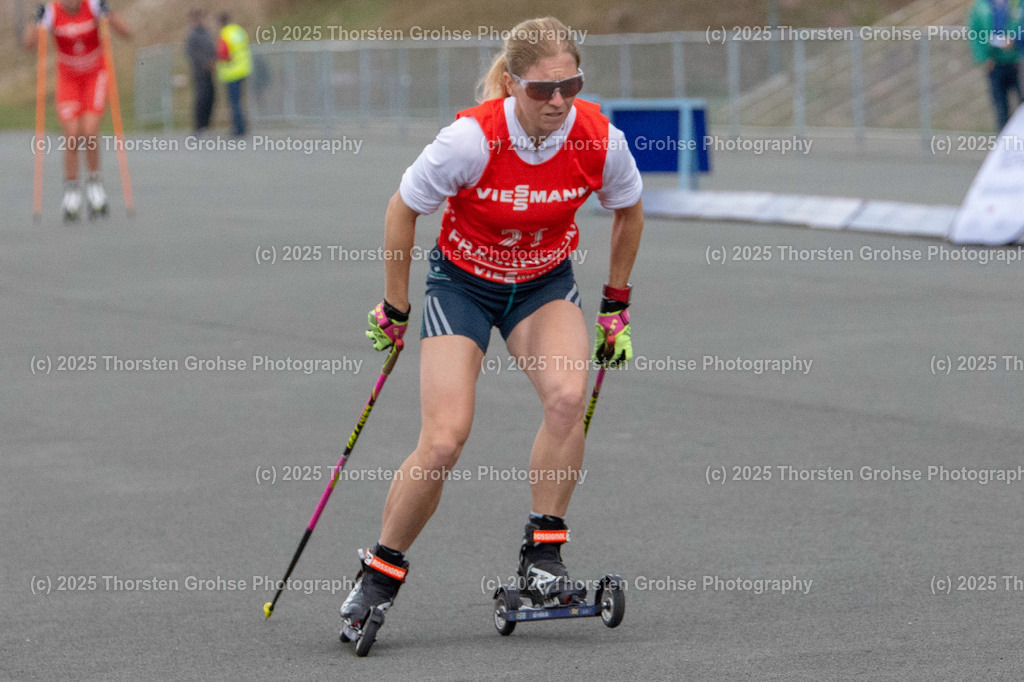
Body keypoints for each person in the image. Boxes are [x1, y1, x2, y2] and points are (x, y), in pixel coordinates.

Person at [339, 16, 645, 646]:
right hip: (464, 286)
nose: (557, 102)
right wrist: (395, 307)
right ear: (511, 85)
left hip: (541, 285)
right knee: (446, 438)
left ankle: (543, 556)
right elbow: (403, 209)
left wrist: (616, 306)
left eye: (570, 85)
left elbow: (629, 209)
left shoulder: (597, 138)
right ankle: (378, 577)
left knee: (568, 397)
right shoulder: (470, 140)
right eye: (540, 90)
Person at [23, 0, 131, 220]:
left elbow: (126, 33)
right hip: (68, 79)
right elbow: (29, 45)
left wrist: (108, 13)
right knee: (72, 135)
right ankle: (72, 191)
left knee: (90, 132)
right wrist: (35, 20)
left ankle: (95, 187)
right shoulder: (52, 12)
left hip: (94, 75)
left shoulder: (92, 6)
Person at [969, 0, 1024, 130]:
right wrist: (984, 58)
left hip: (1017, 63)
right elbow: (975, 32)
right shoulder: (981, 6)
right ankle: (1004, 145)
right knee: (1001, 108)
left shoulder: (1017, 4)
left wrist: (1015, 40)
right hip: (995, 64)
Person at [216, 12, 251, 137]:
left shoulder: (225, 34)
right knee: (241, 100)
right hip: (243, 69)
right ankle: (244, 125)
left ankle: (238, 128)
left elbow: (223, 53)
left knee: (234, 102)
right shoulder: (239, 31)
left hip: (231, 71)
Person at [184, 8, 216, 136]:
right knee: (201, 98)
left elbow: (213, 48)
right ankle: (199, 126)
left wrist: (213, 61)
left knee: (211, 97)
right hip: (200, 72)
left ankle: (207, 125)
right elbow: (191, 53)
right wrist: (204, 63)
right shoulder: (192, 36)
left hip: (210, 71)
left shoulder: (207, 33)